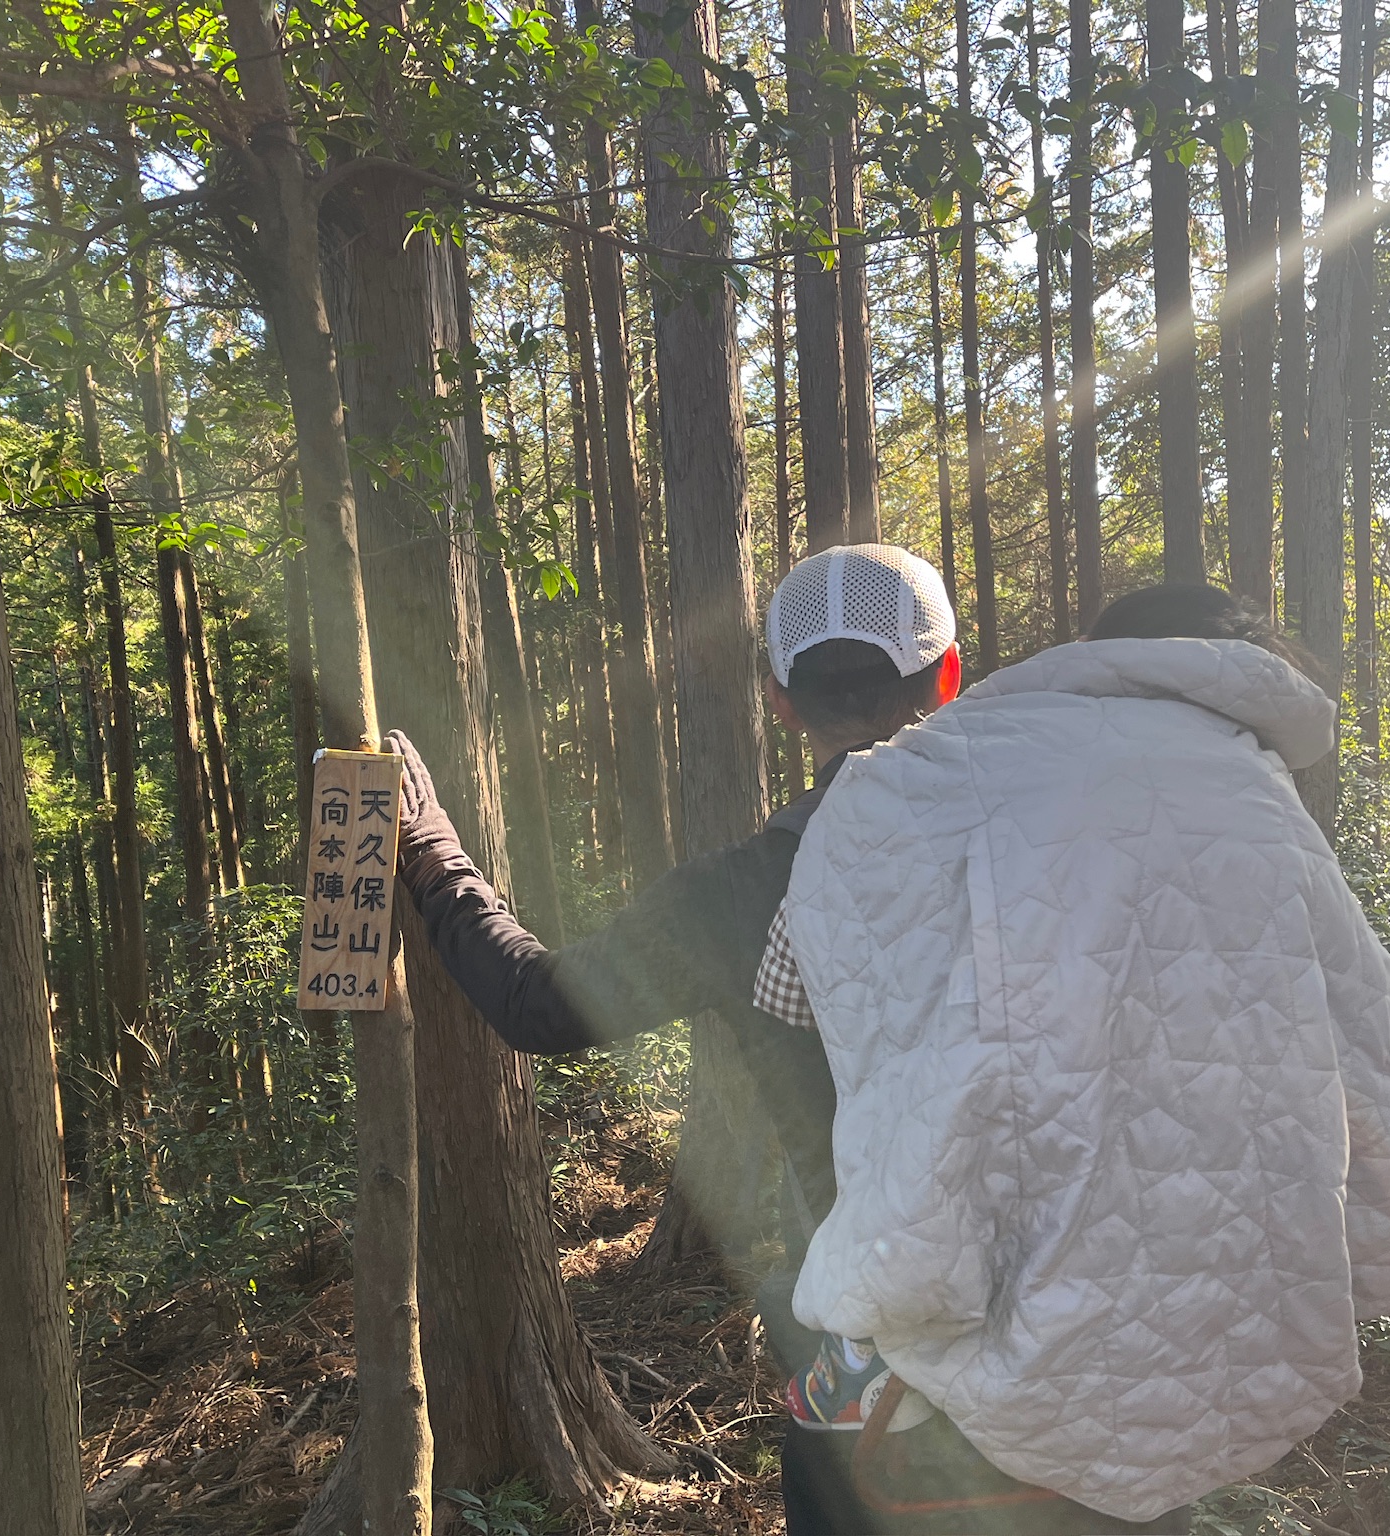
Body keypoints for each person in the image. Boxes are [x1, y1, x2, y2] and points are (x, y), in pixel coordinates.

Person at [753, 583, 1390, 1532]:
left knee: (845, 1454)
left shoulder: (921, 774)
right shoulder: (1258, 790)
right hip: (1205, 1336)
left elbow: (800, 1004)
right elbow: (1365, 1029)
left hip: (972, 1324)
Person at [385, 544, 961, 1510]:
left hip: (880, 1361)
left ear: (781, 700)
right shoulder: (1045, 842)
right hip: (1079, 1334)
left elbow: (539, 1005)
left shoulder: (745, 893)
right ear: (948, 675)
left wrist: (435, 856)